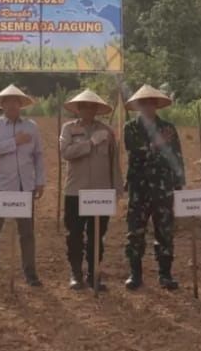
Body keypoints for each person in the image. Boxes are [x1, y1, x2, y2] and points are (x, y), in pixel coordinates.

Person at [0, 84, 46, 287]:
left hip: (24, 186)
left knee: (26, 232)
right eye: (7, 102)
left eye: (15, 102)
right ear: (2, 105)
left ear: (20, 104)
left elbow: (39, 156)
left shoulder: (31, 127)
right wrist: (14, 141)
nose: (12, 105)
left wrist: (40, 181)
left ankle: (30, 273)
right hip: (0, 185)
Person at [123, 84, 184, 290]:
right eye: (143, 103)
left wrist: (179, 182)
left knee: (165, 231)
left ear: (156, 105)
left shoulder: (168, 128)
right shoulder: (130, 128)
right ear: (138, 106)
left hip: (163, 187)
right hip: (139, 188)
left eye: (151, 103)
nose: (148, 106)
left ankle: (165, 275)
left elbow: (176, 155)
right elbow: (136, 151)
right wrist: (157, 143)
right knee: (135, 232)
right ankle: (135, 274)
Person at [59, 89, 121, 290]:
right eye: (83, 106)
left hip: (101, 192)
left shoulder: (108, 131)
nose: (88, 109)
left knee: (97, 235)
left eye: (91, 106)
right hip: (75, 191)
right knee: (74, 234)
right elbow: (66, 152)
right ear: (78, 109)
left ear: (96, 109)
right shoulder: (68, 129)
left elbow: (114, 163)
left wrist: (117, 188)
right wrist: (90, 143)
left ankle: (94, 275)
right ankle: (76, 273)